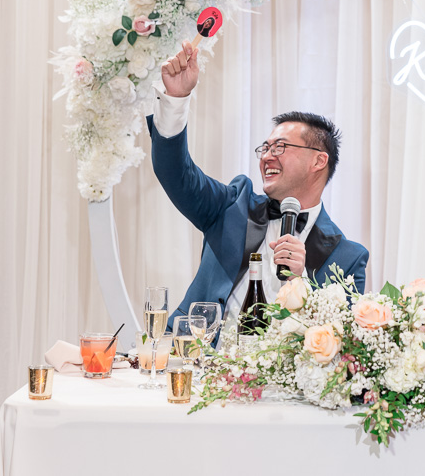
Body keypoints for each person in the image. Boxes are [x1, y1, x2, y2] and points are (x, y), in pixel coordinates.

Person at [149, 40, 369, 328]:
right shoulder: (231, 206)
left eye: (279, 147)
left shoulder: (349, 259)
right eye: (264, 149)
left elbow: (342, 340)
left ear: (318, 161)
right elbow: (175, 172)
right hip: (199, 360)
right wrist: (176, 99)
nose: (266, 157)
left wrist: (299, 282)